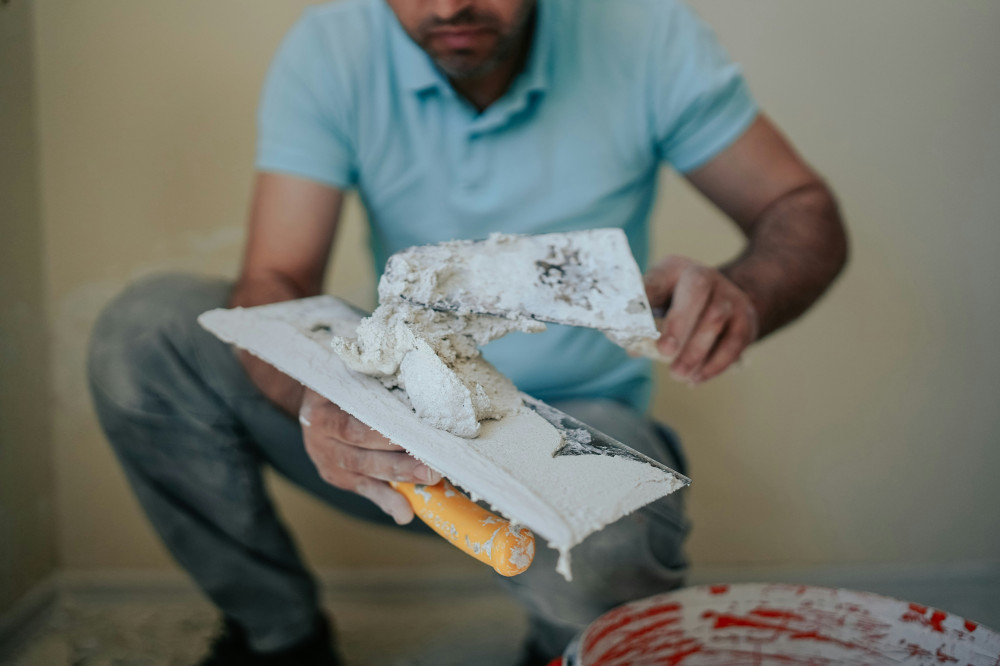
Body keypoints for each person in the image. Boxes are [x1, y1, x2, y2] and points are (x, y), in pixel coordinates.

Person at [87, 0, 848, 664]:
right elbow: (276, 280)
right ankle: (278, 640)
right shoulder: (334, 47)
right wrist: (322, 399)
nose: (450, 4)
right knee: (146, 331)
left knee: (620, 531)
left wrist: (744, 294)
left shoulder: (645, 34)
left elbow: (800, 208)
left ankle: (566, 650)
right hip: (392, 409)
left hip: (575, 424)